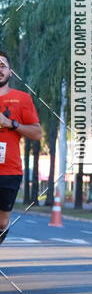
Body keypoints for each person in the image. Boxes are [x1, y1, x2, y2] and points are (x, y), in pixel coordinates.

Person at [0, 51, 42, 244]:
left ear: (11, 72)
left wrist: (11, 124)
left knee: (2, 222)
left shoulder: (22, 98)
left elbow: (36, 133)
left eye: (2, 66)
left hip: (9, 170)